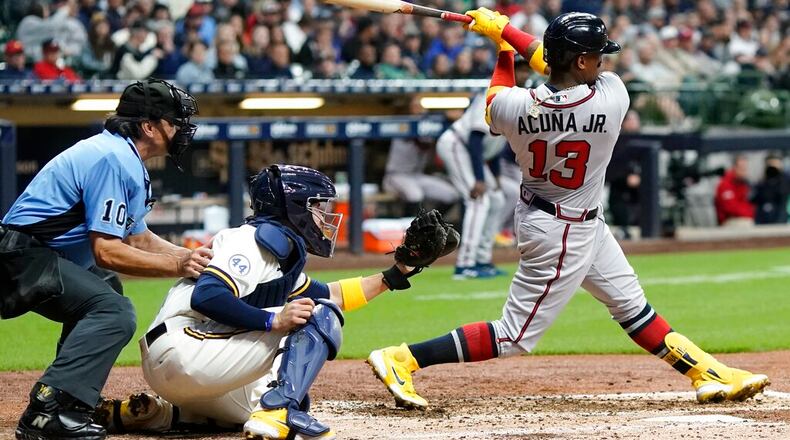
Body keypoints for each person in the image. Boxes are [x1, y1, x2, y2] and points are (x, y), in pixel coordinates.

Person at [367, 9, 769, 411]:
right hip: (561, 232)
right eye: (596, 55)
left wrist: (502, 50)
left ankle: (705, 371)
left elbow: (498, 95)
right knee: (513, 337)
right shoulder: (614, 96)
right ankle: (403, 358)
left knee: (631, 305)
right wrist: (506, 31)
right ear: (580, 60)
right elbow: (548, 58)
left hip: (558, 215)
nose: (602, 62)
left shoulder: (513, 106)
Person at [92, 165, 448, 440]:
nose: (323, 217)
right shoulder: (253, 240)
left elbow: (335, 294)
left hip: (188, 363)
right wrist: (271, 322)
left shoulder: (279, 251)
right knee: (316, 319)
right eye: (316, 207)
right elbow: (208, 295)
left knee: (249, 410)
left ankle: (155, 414)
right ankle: (281, 410)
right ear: (293, 207)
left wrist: (397, 271)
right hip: (186, 346)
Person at [0, 78, 209, 440]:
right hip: (22, 256)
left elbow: (137, 236)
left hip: (35, 254)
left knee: (105, 287)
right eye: (174, 122)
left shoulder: (121, 154)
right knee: (114, 311)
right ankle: (47, 410)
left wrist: (187, 255)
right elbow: (107, 251)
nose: (181, 130)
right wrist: (177, 266)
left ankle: (74, 401)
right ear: (149, 126)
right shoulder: (114, 158)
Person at [436, 92, 507, 279]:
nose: (523, 74)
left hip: (473, 153)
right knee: (478, 200)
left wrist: (496, 176)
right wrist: (479, 179)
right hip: (457, 145)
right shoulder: (492, 94)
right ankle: (465, 265)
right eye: (519, 69)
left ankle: (482, 260)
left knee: (497, 199)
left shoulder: (519, 99)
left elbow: (493, 147)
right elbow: (475, 139)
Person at [382, 97, 458, 217]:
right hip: (396, 176)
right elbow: (419, 141)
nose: (418, 109)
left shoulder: (426, 124)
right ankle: (408, 229)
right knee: (415, 195)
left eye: (420, 106)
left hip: (416, 176)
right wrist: (442, 115)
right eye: (415, 106)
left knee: (451, 195)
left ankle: (433, 223)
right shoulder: (404, 123)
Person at [714, 154, 755, 226]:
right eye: (741, 168)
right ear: (734, 168)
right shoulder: (725, 184)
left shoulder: (744, 183)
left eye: (745, 169)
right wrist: (749, 212)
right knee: (747, 224)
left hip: (743, 218)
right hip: (728, 221)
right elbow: (730, 208)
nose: (744, 171)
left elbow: (748, 203)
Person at [752, 154, 789, 225]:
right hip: (762, 220)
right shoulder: (761, 184)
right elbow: (756, 200)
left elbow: (784, 205)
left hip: (781, 220)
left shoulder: (785, 182)